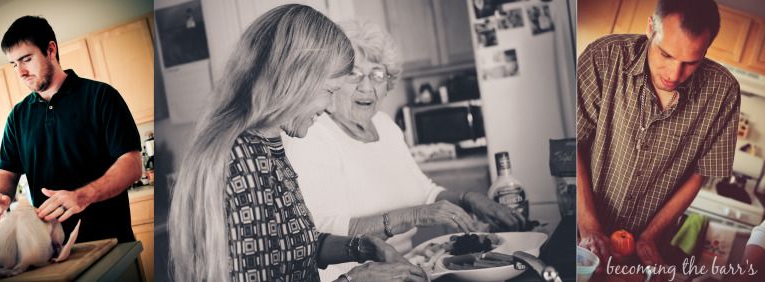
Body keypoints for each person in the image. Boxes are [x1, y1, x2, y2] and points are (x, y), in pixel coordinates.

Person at [168, 5, 426, 282]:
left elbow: (295, 243)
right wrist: (354, 280)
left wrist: (362, 247)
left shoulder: (270, 141)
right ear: (296, 80)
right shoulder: (240, 162)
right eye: (329, 91)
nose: (328, 105)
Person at [283, 20, 526, 280]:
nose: (367, 87)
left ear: (388, 83)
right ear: (333, 82)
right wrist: (412, 216)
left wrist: (469, 199)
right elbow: (321, 231)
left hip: (409, 270)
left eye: (377, 74)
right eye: (353, 73)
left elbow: (424, 191)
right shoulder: (313, 133)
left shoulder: (384, 125)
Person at [577, 0, 739, 268]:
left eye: (691, 62)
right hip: (582, 235)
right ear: (651, 27)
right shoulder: (604, 58)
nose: (675, 74)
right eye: (666, 55)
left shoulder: (723, 92)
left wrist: (649, 237)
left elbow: (700, 173)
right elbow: (575, 143)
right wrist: (588, 226)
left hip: (648, 252)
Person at [0, 15, 142, 243]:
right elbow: (5, 173)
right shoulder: (17, 117)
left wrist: (83, 196)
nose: (20, 72)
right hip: (50, 249)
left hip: (110, 242)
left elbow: (132, 164)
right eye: (14, 64)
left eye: (26, 59)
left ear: (50, 50)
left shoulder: (100, 97)